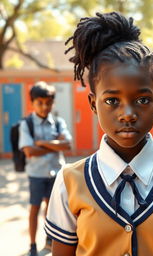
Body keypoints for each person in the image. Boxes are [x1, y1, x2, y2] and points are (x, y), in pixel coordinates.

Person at [45, 12, 153, 256]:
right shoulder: (70, 181)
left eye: (142, 99)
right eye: (112, 100)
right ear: (93, 103)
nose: (127, 114)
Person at [19, 81, 72, 256]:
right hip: (36, 174)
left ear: (53, 103)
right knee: (35, 208)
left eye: (48, 103)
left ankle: (50, 239)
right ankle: (33, 244)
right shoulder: (27, 124)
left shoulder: (58, 122)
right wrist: (54, 145)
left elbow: (67, 145)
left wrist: (41, 143)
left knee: (53, 209)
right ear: (32, 103)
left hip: (57, 174)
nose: (44, 107)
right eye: (39, 103)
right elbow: (29, 151)